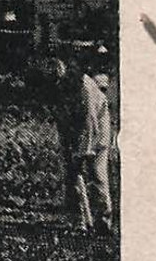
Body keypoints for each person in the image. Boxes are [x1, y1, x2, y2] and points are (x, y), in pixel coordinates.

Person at [43, 58, 115, 234]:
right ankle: (80, 221)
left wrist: (83, 151)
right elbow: (60, 117)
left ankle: (103, 222)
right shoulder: (55, 89)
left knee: (97, 174)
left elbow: (89, 121)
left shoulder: (83, 86)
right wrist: (68, 145)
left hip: (97, 127)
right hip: (73, 128)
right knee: (72, 175)